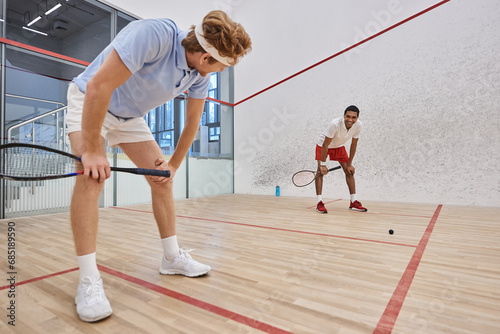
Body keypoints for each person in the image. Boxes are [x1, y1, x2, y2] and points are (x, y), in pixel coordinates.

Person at [66, 10, 251, 322]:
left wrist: (173, 165)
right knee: (91, 178)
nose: (220, 71)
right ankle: (88, 280)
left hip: (130, 116)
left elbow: (193, 122)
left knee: (161, 179)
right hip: (91, 99)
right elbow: (99, 85)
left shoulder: (199, 75)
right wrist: (93, 151)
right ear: (206, 58)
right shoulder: (154, 34)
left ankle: (171, 258)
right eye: (221, 66)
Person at [315, 105, 367, 214]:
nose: (350, 120)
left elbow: (354, 144)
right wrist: (323, 165)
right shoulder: (335, 124)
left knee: (349, 171)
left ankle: (353, 202)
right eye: (348, 116)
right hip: (324, 146)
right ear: (344, 116)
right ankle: (319, 203)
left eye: (353, 117)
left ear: (357, 118)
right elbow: (325, 144)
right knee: (320, 172)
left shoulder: (358, 125)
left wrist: (350, 163)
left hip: (339, 146)